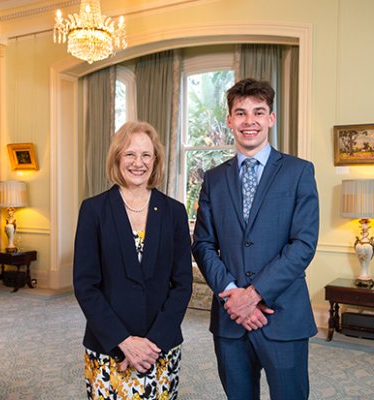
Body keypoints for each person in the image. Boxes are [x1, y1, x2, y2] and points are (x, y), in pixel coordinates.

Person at [192, 78, 319, 400]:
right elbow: (203, 244)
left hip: (283, 314)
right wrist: (235, 295)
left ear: (271, 118)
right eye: (241, 113)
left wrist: (256, 294)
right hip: (231, 317)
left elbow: (302, 243)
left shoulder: (298, 171)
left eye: (258, 112)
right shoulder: (214, 178)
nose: (250, 121)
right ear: (230, 120)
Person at [73, 121, 193, 400]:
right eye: (129, 154)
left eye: (146, 155)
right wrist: (124, 342)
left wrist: (153, 343)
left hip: (159, 349)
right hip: (109, 348)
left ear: (155, 160)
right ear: (117, 158)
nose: (138, 163)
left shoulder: (174, 212)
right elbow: (85, 285)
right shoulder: (93, 210)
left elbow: (182, 284)